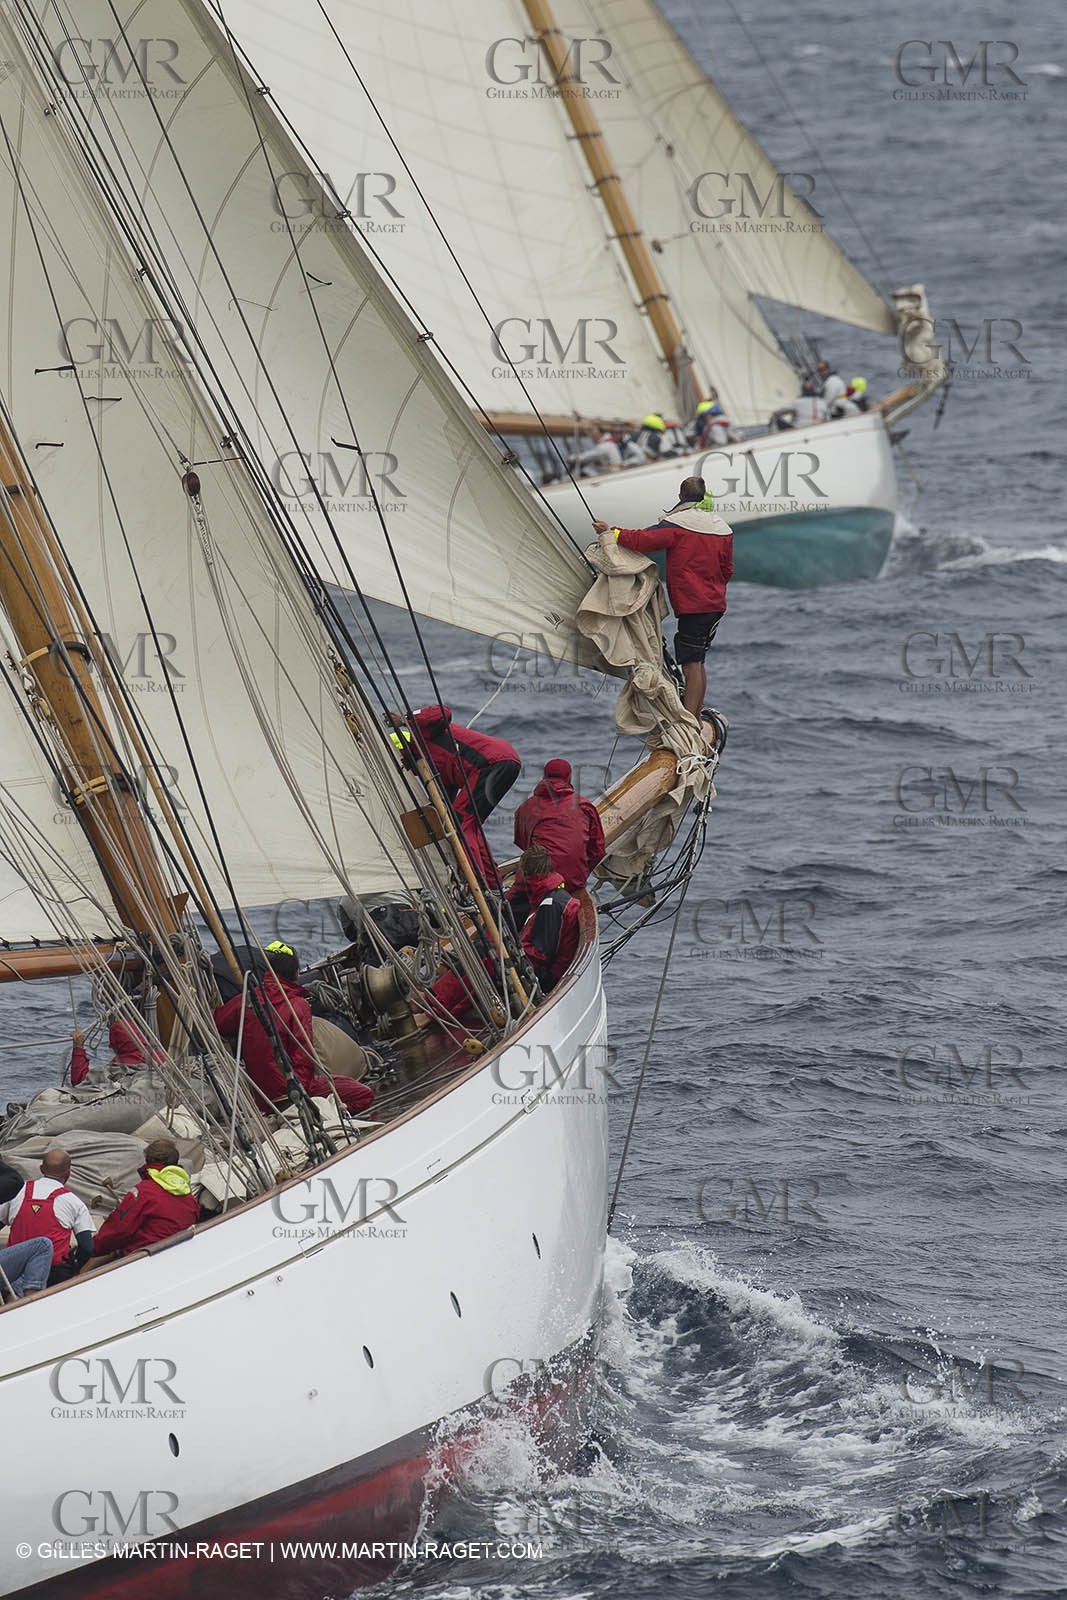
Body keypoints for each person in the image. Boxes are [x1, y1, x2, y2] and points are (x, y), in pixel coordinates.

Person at [594, 475, 733, 717]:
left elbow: (643, 540)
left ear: (680, 496)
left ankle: (689, 719)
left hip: (693, 605)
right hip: (714, 605)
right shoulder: (722, 528)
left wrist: (611, 533)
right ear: (703, 496)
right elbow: (727, 570)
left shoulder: (677, 525)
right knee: (697, 661)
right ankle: (695, 714)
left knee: (691, 663)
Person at [214, 942, 376, 1117]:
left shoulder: (247, 1000)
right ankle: (320, 1114)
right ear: (297, 974)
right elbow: (303, 1056)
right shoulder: (298, 1005)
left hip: (262, 1097)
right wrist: (300, 1094)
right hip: (291, 1091)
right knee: (363, 1094)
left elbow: (219, 1022)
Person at [403, 705, 521, 889]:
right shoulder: (435, 766)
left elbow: (442, 712)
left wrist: (404, 720)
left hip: (490, 762)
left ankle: (476, 885)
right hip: (503, 761)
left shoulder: (420, 734)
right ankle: (492, 883)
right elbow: (446, 799)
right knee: (469, 824)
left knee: (461, 824)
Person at [92, 1138, 199, 1260]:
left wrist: (92, 1248)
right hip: (177, 1254)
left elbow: (119, 1230)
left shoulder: (144, 1191)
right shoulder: (187, 1194)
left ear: (148, 1161)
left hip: (144, 1256)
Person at [0, 1149, 94, 1286]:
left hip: (15, 1273)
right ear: (69, 1173)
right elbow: (87, 1247)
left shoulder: (18, 1191)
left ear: (41, 1169)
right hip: (53, 1275)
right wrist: (75, 1267)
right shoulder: (74, 1202)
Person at [513, 759, 606, 892]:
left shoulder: (525, 808)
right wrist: (580, 874)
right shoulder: (584, 805)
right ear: (569, 777)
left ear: (544, 776)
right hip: (573, 881)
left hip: (537, 879)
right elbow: (598, 850)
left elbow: (523, 843)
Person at [512, 846, 581, 993]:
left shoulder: (550, 905)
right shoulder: (553, 895)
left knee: (487, 970)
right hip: (551, 967)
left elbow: (541, 954)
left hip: (549, 978)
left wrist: (511, 958)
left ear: (526, 873)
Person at [68, 1015, 164, 1088]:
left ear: (116, 1045)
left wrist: (78, 1047)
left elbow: (80, 1082)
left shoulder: (118, 1068)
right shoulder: (162, 1059)